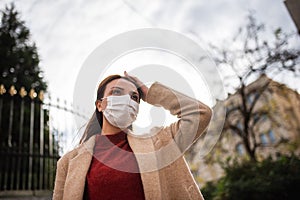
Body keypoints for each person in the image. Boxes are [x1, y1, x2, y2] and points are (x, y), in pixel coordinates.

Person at [53, 71, 212, 200]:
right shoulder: (68, 162)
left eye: (134, 97)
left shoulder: (159, 142)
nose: (127, 100)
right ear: (100, 105)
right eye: (117, 92)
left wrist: (150, 93)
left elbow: (200, 114)